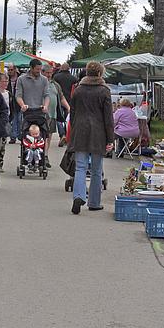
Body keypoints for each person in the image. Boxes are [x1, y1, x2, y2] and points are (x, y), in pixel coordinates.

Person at [68, 61, 114, 215]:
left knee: (80, 167)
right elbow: (108, 118)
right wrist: (110, 139)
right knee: (96, 169)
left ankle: (79, 196)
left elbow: (72, 113)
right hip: (98, 132)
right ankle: (94, 202)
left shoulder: (78, 90)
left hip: (80, 130)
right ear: (100, 74)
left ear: (87, 72)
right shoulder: (104, 91)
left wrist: (73, 131)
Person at [15, 59, 50, 164]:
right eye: (37, 69)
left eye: (40, 69)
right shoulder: (21, 79)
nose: (39, 71)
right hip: (27, 111)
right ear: (31, 68)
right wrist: (22, 105)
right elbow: (18, 95)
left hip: (40, 111)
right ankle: (26, 156)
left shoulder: (44, 80)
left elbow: (47, 95)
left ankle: (43, 157)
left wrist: (46, 106)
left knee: (42, 134)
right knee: (26, 132)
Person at [43, 64, 70, 159]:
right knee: (39, 135)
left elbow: (62, 97)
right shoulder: (39, 83)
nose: (49, 75)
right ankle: (39, 154)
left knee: (49, 136)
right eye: (47, 73)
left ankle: (45, 155)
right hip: (40, 114)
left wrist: (68, 107)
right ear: (42, 72)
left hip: (52, 115)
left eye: (51, 73)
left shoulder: (55, 84)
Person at [0, 72, 12, 172]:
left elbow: (11, 106)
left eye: (7, 81)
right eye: (3, 81)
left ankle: (0, 164)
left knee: (3, 144)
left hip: (5, 121)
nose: (5, 83)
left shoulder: (8, 94)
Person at [7, 63, 21, 143]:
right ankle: (13, 137)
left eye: (11, 70)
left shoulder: (20, 78)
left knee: (19, 119)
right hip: (10, 102)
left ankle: (19, 135)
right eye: (8, 70)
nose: (10, 71)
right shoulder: (7, 78)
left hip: (19, 102)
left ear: (15, 69)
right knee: (12, 119)